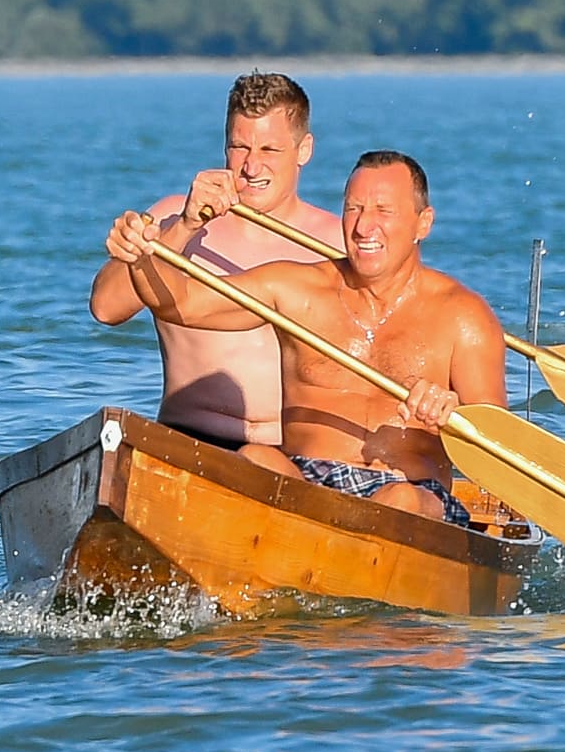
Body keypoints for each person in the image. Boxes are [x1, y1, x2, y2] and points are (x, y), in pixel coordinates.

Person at [105, 150, 505, 526]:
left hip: (414, 493)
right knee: (257, 458)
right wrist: (146, 253)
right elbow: (183, 305)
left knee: (399, 500)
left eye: (383, 211)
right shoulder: (298, 287)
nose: (364, 227)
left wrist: (455, 416)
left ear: (423, 223)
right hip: (307, 483)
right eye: (354, 209)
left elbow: (500, 456)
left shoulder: (463, 316)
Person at [85, 71, 342, 449]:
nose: (251, 166)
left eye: (269, 150)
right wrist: (186, 226)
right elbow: (106, 308)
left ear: (304, 150)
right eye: (240, 147)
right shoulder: (172, 217)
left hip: (293, 453)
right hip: (189, 439)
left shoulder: (339, 244)